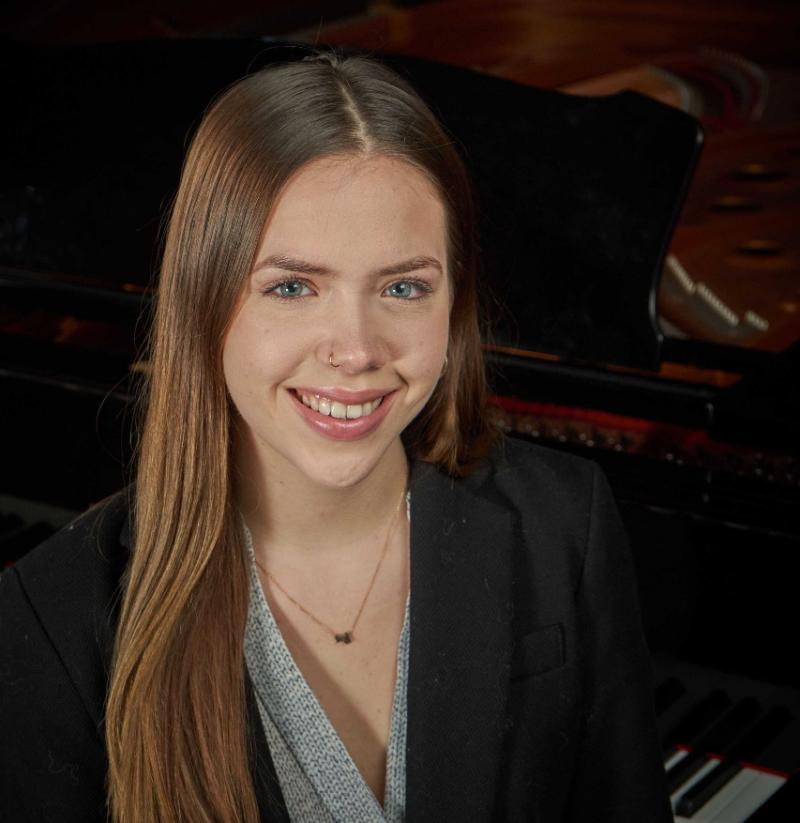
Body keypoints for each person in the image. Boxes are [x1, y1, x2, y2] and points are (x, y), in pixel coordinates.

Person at [0, 49, 672, 822]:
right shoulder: (50, 616)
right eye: (292, 286)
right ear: (205, 301)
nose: (356, 349)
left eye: (403, 287)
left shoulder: (565, 520)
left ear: (453, 304)